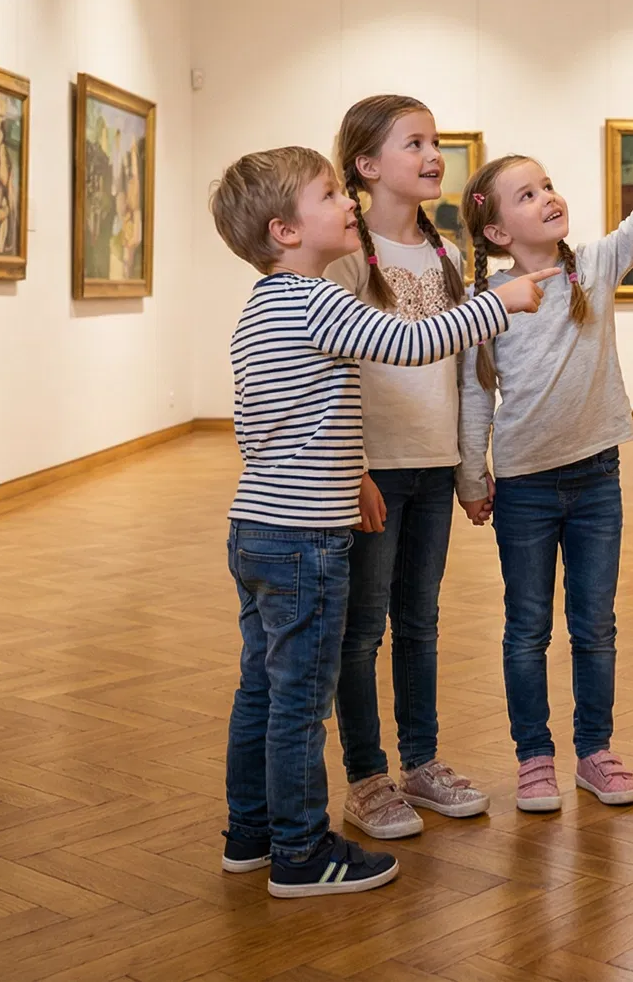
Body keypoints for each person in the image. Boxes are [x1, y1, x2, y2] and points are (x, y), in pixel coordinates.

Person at [209, 145, 559, 898]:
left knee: (262, 690)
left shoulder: (258, 310)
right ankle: (302, 853)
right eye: (330, 194)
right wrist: (503, 301)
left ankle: (251, 833)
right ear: (286, 230)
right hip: (307, 541)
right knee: (301, 702)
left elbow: (251, 426)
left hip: (257, 528)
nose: (346, 205)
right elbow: (410, 342)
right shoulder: (317, 299)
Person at [458, 98, 633, 813]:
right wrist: (472, 476)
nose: (548, 197)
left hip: (596, 479)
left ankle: (596, 751)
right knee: (527, 627)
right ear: (497, 230)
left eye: (548, 184)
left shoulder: (595, 266)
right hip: (523, 485)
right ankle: (533, 758)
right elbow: (472, 395)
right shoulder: (489, 303)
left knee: (595, 623)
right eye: (527, 194)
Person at [320, 95, 492, 842]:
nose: (433, 156)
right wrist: (353, 468)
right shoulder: (350, 259)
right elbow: (332, 372)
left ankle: (420, 763)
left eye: (436, 142)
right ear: (366, 166)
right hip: (377, 471)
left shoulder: (449, 256)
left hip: (432, 466)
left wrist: (467, 467)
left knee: (419, 622)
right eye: (414, 143)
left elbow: (465, 373)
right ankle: (366, 779)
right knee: (362, 632)